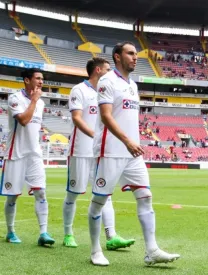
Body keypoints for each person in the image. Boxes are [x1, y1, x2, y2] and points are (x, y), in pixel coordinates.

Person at [87, 42, 180, 266]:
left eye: (136, 54)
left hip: (132, 152)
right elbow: (106, 116)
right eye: (130, 53)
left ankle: (152, 251)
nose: (135, 57)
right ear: (117, 57)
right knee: (100, 200)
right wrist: (127, 141)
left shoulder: (132, 85)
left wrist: (133, 143)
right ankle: (95, 250)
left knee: (145, 197)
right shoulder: (107, 81)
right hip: (110, 150)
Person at [63, 57, 135, 249]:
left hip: (99, 152)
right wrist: (96, 135)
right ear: (97, 70)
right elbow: (77, 119)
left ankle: (111, 236)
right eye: (107, 68)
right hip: (80, 150)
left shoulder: (107, 90)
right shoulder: (79, 90)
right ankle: (68, 233)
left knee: (105, 194)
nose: (111, 71)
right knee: (73, 194)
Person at [2, 68, 55, 246]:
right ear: (26, 80)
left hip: (34, 155)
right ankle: (10, 232)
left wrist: (36, 101)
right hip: (15, 154)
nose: (41, 82)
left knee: (40, 192)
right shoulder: (15, 98)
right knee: (13, 196)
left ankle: (43, 233)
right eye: (38, 78)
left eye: (42, 79)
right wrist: (33, 100)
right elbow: (24, 121)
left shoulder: (40, 103)